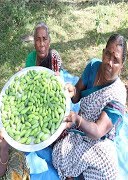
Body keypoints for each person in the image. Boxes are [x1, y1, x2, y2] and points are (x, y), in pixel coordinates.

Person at [53, 34, 127, 179]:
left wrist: (76, 119)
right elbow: (77, 95)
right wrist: (73, 91)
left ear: (121, 67)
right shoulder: (93, 66)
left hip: (100, 140)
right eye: (108, 55)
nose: (110, 63)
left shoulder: (117, 94)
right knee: (59, 153)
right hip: (79, 130)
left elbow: (98, 131)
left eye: (116, 60)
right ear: (103, 53)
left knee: (107, 173)